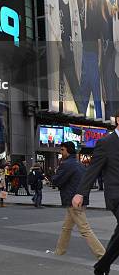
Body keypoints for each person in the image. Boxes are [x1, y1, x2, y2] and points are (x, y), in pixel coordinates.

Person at [73, 110, 119, 275]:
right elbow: (93, 170)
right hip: (116, 195)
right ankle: (102, 266)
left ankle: (102, 266)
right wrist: (81, 193)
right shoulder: (106, 142)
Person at [46, 0, 82, 113]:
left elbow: (75, 21)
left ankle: (79, 109)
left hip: (68, 43)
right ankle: (61, 109)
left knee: (72, 78)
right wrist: (57, 39)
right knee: (58, 78)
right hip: (56, 42)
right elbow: (47, 13)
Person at [53, 141, 104, 260]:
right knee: (66, 228)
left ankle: (102, 255)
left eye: (62, 150)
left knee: (85, 229)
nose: (61, 152)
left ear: (68, 151)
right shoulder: (79, 163)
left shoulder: (66, 164)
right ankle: (59, 251)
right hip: (81, 198)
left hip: (73, 200)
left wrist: (54, 177)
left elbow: (56, 181)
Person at [77, 0, 102, 118]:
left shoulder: (96, 2)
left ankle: (98, 115)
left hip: (92, 51)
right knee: (85, 85)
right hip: (81, 49)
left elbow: (99, 34)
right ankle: (81, 113)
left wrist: (99, 57)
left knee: (93, 85)